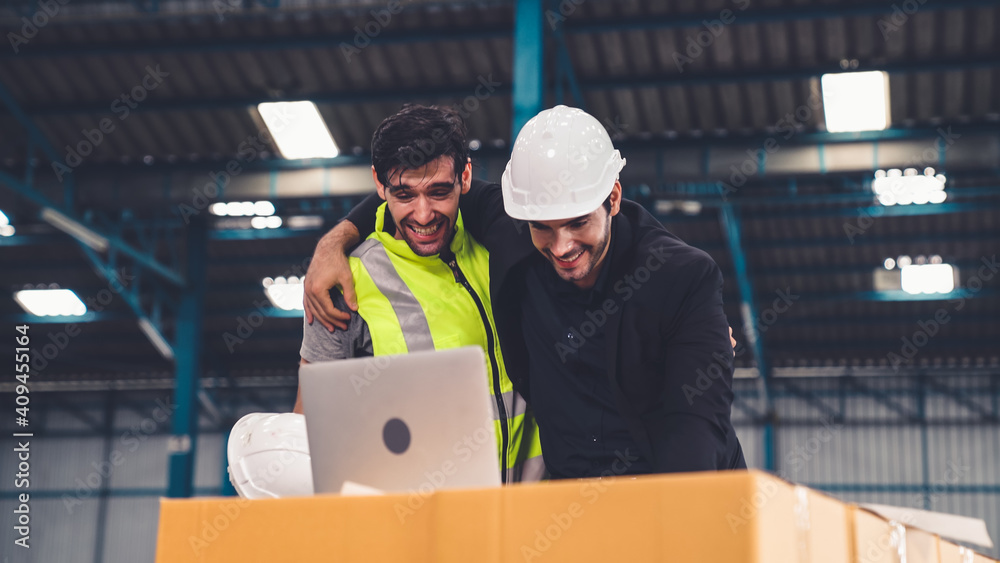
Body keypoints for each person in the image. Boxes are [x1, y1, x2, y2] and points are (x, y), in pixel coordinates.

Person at [306, 105, 745, 479]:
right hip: (570, 518)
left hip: (678, 501)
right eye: (544, 228)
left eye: (578, 222)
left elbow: (694, 433)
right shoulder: (514, 232)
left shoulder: (680, 280)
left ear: (612, 198)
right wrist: (335, 241)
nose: (562, 246)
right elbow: (416, 191)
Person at [295, 104, 544, 484]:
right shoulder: (346, 283)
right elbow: (308, 430)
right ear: (379, 185)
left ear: (465, 177)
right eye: (404, 195)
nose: (424, 215)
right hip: (426, 527)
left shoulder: (497, 248)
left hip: (532, 512)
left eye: (439, 191)